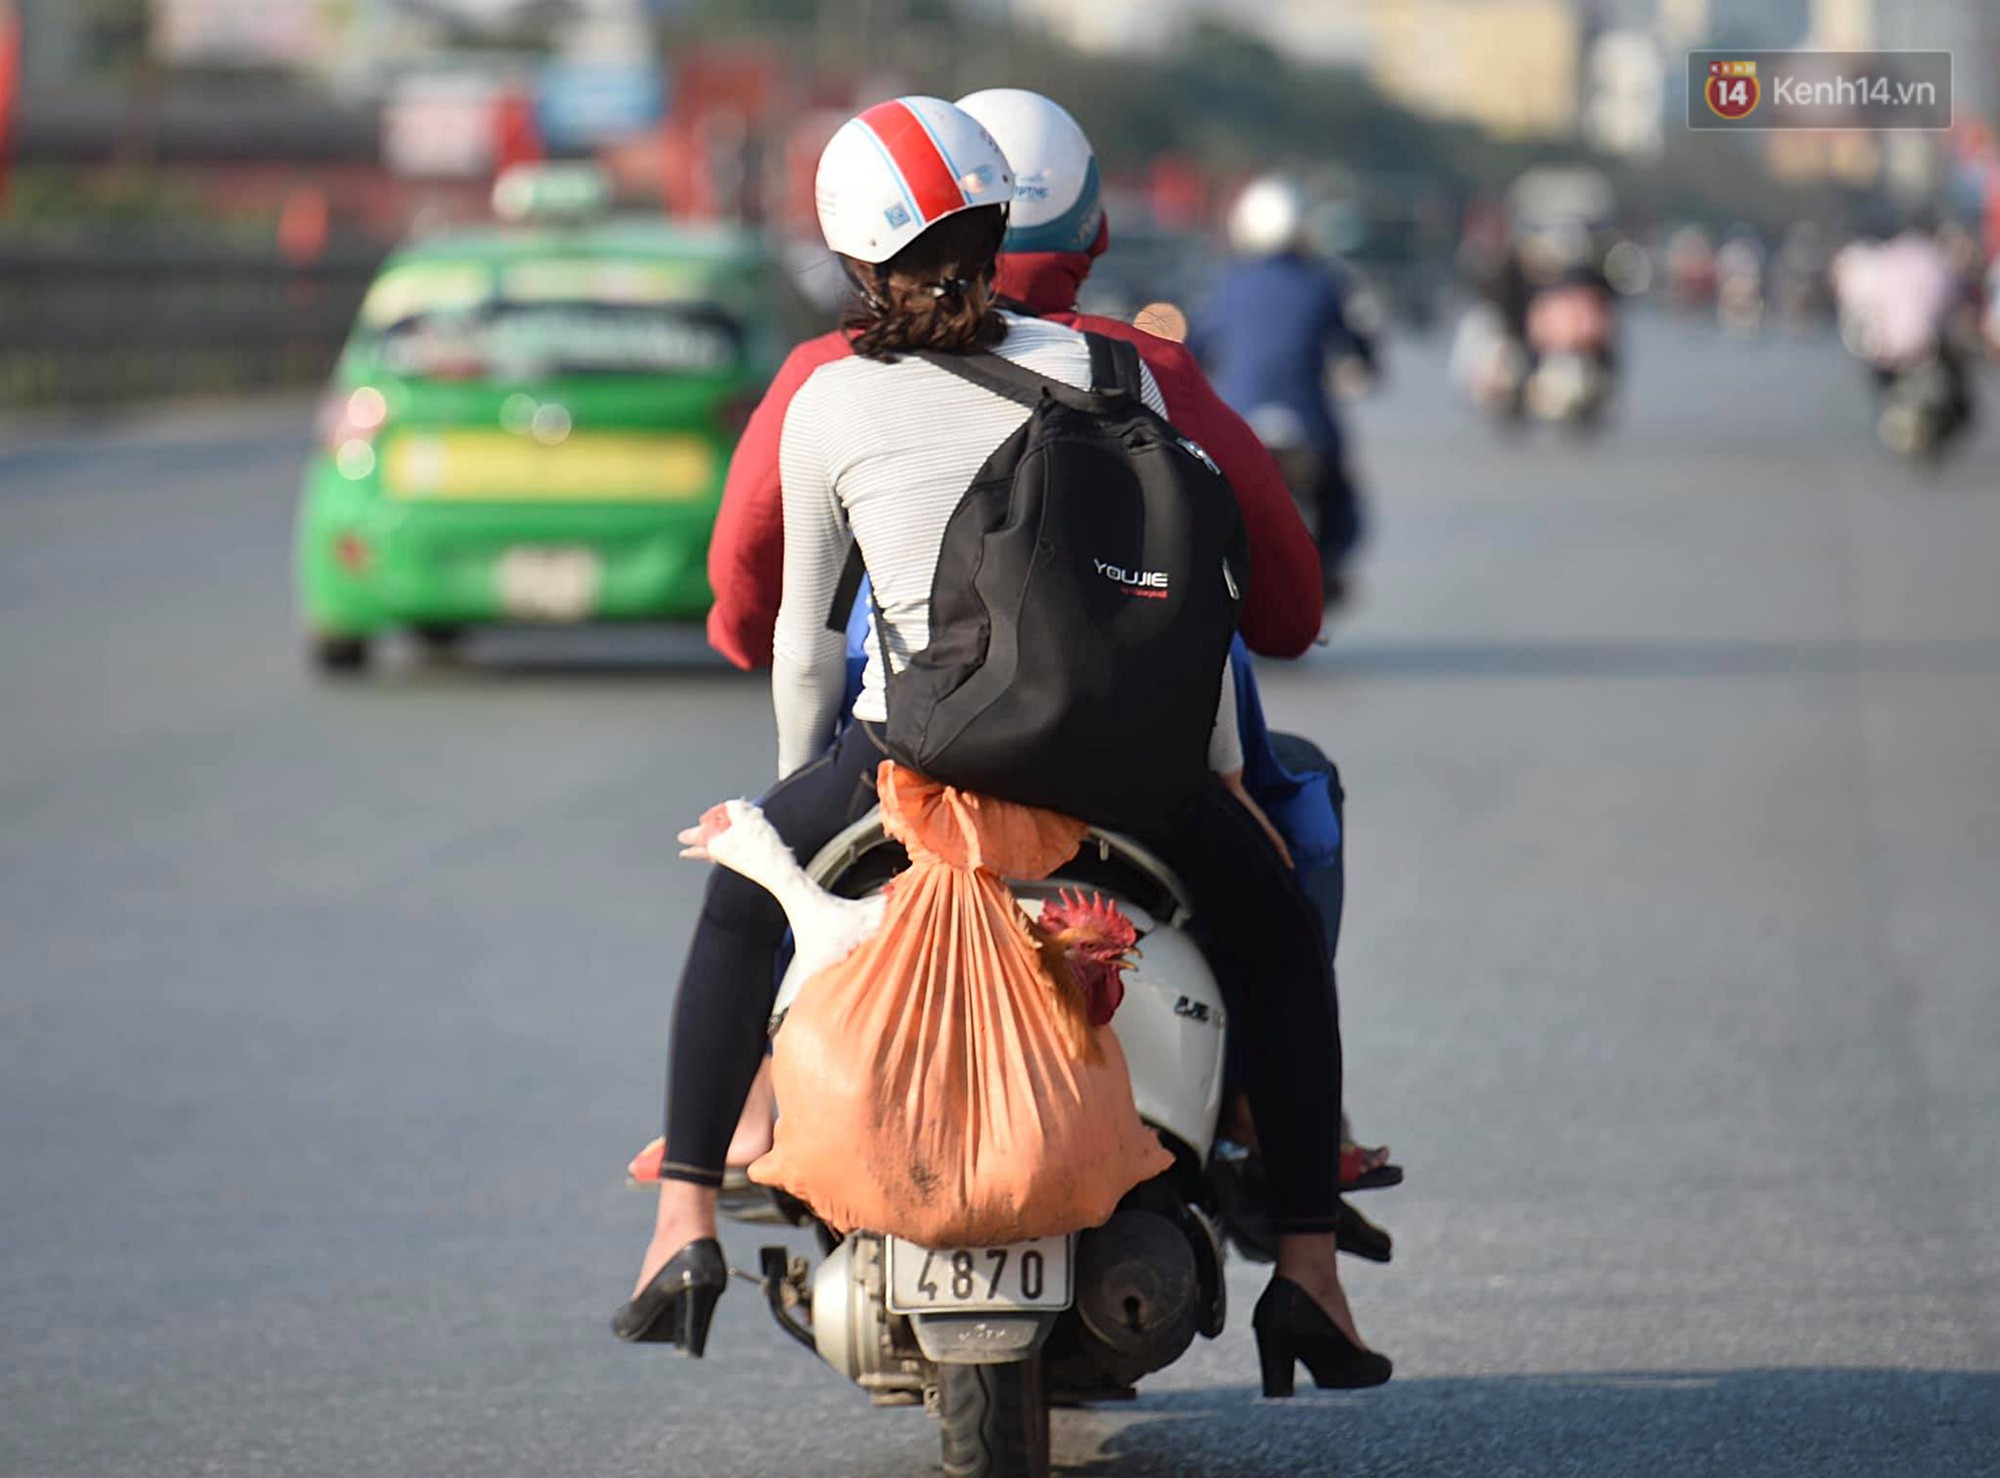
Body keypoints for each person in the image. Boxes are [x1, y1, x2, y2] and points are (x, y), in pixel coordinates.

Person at [616, 95, 1388, 1393]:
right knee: (1275, 940)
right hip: (1138, 777)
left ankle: (681, 1217)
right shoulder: (1124, 369)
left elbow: (802, 641)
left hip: (925, 757)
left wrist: (801, 799)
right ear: (1002, 225)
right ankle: (1309, 1271)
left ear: (851, 257)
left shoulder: (832, 391)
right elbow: (1191, 593)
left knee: (740, 905)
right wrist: (1200, 781)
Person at [1189, 176, 1376, 604]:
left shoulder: (1229, 284)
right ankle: (1330, 563)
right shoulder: (1324, 283)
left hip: (1240, 422)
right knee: (1338, 488)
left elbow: (1195, 346)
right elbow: (1356, 346)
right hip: (1308, 423)